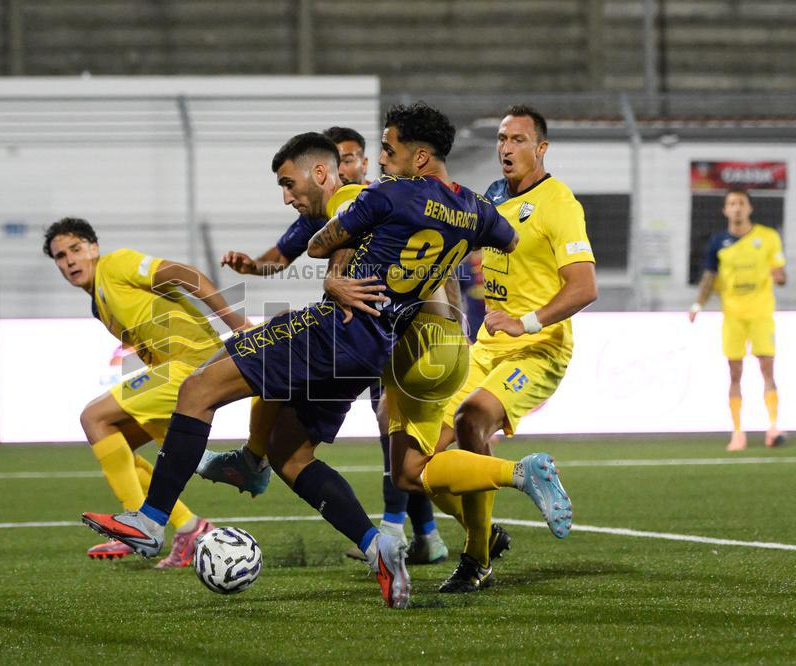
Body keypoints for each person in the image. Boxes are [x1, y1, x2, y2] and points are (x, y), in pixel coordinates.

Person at [82, 105, 570, 609]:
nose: (377, 160)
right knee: (296, 455)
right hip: (391, 345)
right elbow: (509, 239)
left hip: (337, 331)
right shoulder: (473, 206)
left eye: (387, 150)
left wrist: (337, 271)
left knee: (198, 389)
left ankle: (153, 520)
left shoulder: (374, 192)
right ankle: (377, 543)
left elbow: (330, 235)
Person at [212, 125, 448, 565]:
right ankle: (423, 534)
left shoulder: (380, 198)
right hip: (355, 333)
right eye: (345, 157)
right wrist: (252, 265)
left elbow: (360, 245)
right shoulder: (317, 215)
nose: (353, 164)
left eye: (357, 155)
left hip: (399, 334)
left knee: (395, 435)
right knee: (390, 437)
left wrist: (335, 275)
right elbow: (280, 259)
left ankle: (413, 531)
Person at [427, 105, 597, 593]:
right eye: (502, 138)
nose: (506, 147)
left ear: (541, 149)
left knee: (470, 420)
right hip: (486, 346)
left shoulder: (559, 203)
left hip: (538, 349)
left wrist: (525, 323)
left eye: (519, 139)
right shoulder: (494, 197)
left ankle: (476, 559)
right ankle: (486, 535)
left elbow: (584, 287)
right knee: (419, 467)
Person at [44, 218, 251, 568]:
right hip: (173, 371)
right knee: (116, 441)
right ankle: (189, 526)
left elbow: (185, 274)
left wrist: (238, 324)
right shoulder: (99, 304)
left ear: (94, 247)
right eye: (60, 256)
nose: (69, 261)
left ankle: (138, 522)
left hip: (191, 364)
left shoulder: (116, 264)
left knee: (93, 417)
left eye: (76, 249)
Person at [689, 188, 787, 450]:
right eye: (731, 204)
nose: (736, 208)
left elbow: (780, 270)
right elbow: (710, 277)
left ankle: (774, 426)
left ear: (749, 208)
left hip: (760, 313)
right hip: (732, 316)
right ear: (725, 210)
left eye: (740, 203)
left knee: (767, 368)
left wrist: (780, 277)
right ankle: (738, 432)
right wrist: (698, 303)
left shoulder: (767, 237)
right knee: (735, 373)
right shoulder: (718, 242)